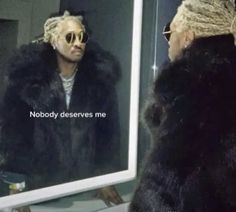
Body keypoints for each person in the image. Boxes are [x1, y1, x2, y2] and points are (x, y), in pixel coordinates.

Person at [0, 10, 123, 205]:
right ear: (54, 41)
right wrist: (18, 189)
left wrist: (104, 178)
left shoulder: (99, 83)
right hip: (38, 190)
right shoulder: (26, 83)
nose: (78, 43)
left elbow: (107, 136)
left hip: (83, 188)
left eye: (82, 37)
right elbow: (14, 138)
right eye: (70, 37)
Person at [130, 0, 236, 211]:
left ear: (187, 38)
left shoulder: (193, 87)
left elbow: (161, 187)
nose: (168, 41)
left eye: (170, 32)